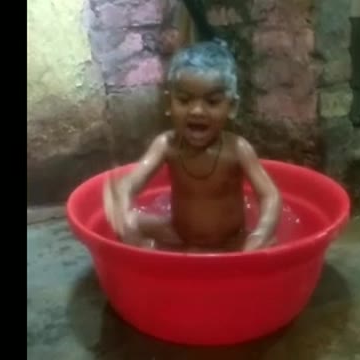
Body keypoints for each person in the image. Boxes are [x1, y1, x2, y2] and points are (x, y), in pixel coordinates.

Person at [103, 40, 281, 253]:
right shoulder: (166, 145)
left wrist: (261, 232)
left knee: (262, 245)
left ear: (232, 106)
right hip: (178, 234)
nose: (197, 111)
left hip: (230, 242)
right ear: (169, 104)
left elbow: (270, 195)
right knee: (128, 223)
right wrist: (122, 204)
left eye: (212, 102)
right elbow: (130, 183)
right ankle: (147, 253)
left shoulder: (237, 150)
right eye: (185, 100)